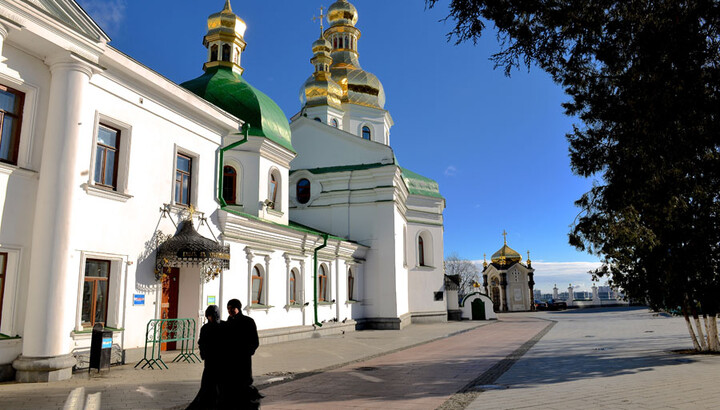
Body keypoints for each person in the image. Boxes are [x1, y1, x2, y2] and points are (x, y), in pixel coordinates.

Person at [221, 299, 262, 409]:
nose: (230, 311)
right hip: (230, 359)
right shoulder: (228, 322)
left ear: (238, 308)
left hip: (243, 358)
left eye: (232, 308)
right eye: (228, 309)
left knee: (244, 381)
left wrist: (248, 351)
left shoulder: (248, 321)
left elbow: (255, 340)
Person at [187, 305, 224, 410]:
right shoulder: (205, 328)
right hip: (210, 360)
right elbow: (201, 342)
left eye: (211, 316)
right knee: (208, 384)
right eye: (208, 316)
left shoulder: (223, 326)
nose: (209, 318)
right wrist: (203, 353)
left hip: (221, 360)